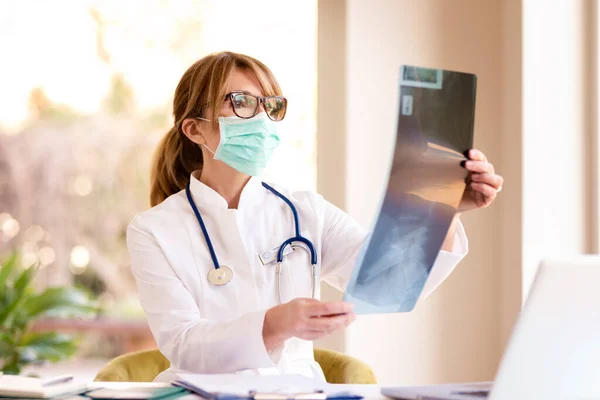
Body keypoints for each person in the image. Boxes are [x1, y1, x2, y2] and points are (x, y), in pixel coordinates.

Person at [126, 51, 503, 382]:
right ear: (194, 129)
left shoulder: (306, 211)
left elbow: (391, 282)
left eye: (269, 105)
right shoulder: (154, 230)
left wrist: (446, 205)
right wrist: (275, 324)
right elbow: (183, 344)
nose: (260, 117)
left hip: (297, 391)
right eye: (240, 102)